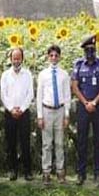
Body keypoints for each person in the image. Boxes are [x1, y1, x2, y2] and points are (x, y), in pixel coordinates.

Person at [71, 35, 99, 187]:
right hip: (83, 106)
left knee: (98, 141)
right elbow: (75, 86)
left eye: (92, 49)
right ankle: (81, 174)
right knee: (81, 141)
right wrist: (86, 102)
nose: (90, 52)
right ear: (84, 51)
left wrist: (94, 102)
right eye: (87, 50)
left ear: (96, 49)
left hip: (98, 106)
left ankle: (98, 173)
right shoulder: (79, 65)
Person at [37, 44, 71, 185]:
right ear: (48, 57)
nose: (53, 58)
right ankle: (46, 172)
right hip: (47, 110)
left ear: (60, 57)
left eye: (56, 55)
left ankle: (60, 171)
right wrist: (40, 116)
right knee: (46, 144)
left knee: (59, 143)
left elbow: (67, 95)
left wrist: (67, 114)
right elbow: (39, 95)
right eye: (51, 55)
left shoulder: (64, 74)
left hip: (60, 111)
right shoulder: (43, 74)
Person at [0, 47, 34, 181]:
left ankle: (27, 171)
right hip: (10, 113)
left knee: (25, 142)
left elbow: (30, 94)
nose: (16, 61)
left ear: (22, 59)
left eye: (18, 58)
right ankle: (12, 170)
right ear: (10, 59)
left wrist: (22, 108)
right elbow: (3, 95)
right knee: (11, 143)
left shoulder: (28, 74)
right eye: (14, 58)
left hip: (23, 113)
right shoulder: (5, 75)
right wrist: (11, 109)